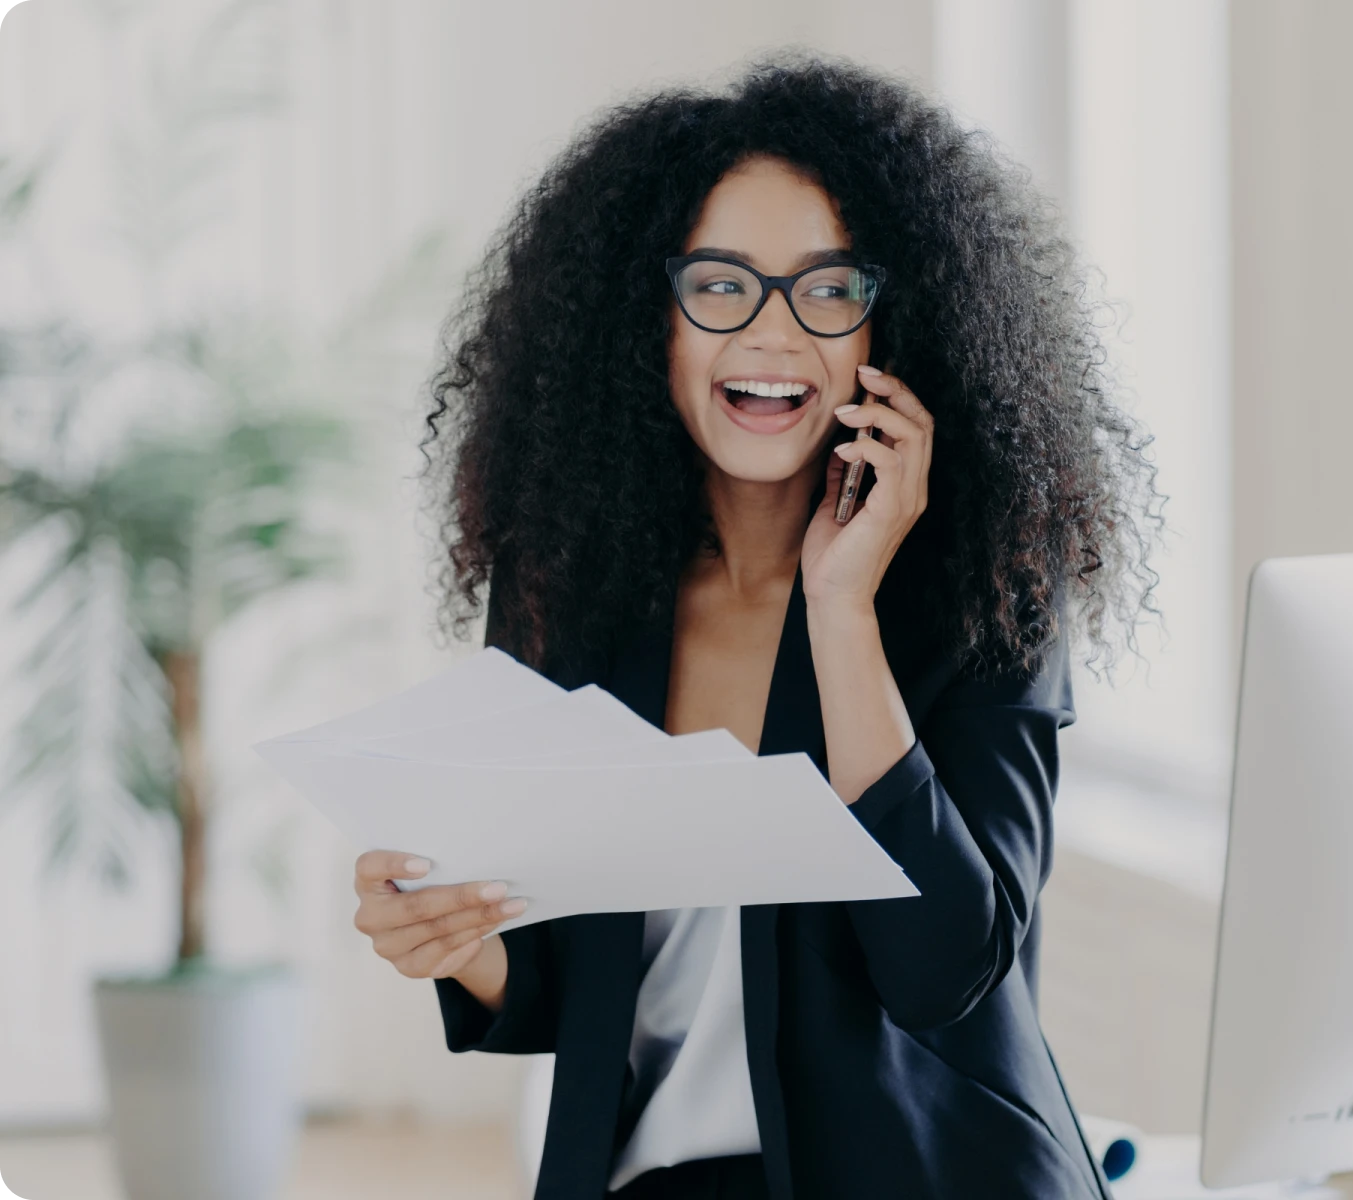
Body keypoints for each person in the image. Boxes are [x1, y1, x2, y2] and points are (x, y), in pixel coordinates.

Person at [351, 54, 1165, 1200]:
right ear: (653, 324)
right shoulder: (566, 585)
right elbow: (559, 979)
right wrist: (462, 950)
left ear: (889, 332)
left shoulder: (988, 587)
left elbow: (946, 976)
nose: (774, 333)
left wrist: (841, 609)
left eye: (829, 288)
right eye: (721, 285)